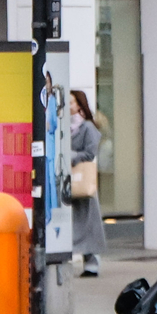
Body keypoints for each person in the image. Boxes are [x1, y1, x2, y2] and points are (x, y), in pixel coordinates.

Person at [64, 88, 106, 278]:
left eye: (72, 102)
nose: (69, 105)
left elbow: (90, 153)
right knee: (70, 221)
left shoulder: (88, 127)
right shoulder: (62, 125)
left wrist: (70, 156)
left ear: (80, 104)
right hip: (66, 180)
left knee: (88, 222)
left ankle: (92, 262)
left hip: (81, 180)